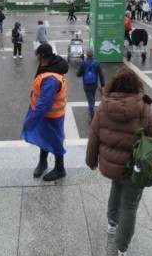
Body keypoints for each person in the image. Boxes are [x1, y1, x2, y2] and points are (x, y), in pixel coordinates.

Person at [85, 68, 152, 256]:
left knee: (116, 187)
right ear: (136, 86)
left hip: (112, 166)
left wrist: (91, 161)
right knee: (130, 207)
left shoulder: (103, 107)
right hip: (135, 169)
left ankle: (112, 222)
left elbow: (93, 137)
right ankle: (122, 248)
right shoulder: (144, 109)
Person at [23, 43, 69, 182]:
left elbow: (44, 103)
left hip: (52, 116)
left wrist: (30, 121)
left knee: (55, 141)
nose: (36, 57)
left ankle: (60, 169)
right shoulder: (49, 66)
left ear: (42, 56)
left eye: (37, 55)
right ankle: (43, 163)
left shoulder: (51, 78)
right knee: (45, 138)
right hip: (46, 115)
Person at [76, 49, 105, 123]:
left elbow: (78, 75)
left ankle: (93, 118)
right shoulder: (97, 63)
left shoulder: (83, 63)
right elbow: (101, 75)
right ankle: (91, 111)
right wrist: (103, 85)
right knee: (92, 98)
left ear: (86, 54)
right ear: (93, 55)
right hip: (94, 85)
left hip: (86, 85)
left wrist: (79, 69)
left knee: (90, 101)